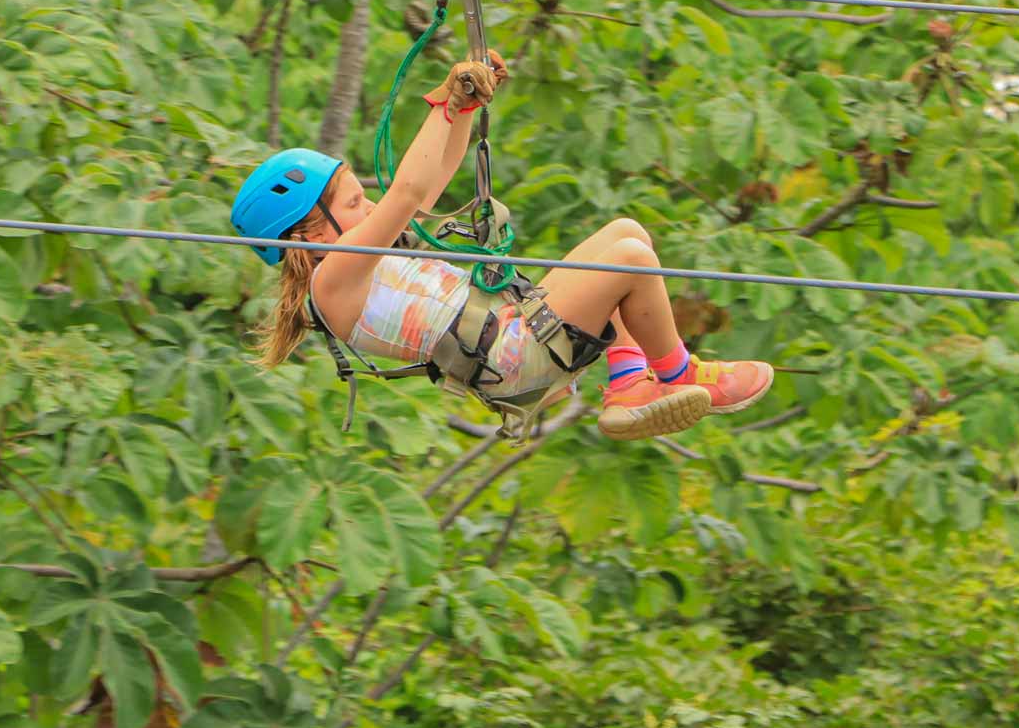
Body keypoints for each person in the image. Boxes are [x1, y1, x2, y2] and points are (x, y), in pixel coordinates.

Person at [231, 52, 774, 440]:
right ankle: (680, 374)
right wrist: (441, 103)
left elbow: (435, 176)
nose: (368, 209)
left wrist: (464, 106)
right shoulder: (333, 282)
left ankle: (631, 382)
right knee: (630, 261)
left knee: (627, 234)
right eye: (352, 204)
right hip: (510, 355)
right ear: (306, 235)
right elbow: (409, 190)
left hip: (514, 334)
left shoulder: (364, 259)